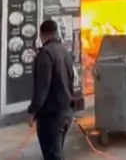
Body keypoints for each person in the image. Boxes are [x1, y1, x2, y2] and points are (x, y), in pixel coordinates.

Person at [27, 19, 76, 160]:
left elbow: (42, 87)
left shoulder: (45, 54)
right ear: (55, 33)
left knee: (52, 155)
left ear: (42, 35)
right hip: (66, 112)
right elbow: (71, 79)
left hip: (52, 115)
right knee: (57, 152)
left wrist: (32, 111)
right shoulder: (65, 52)